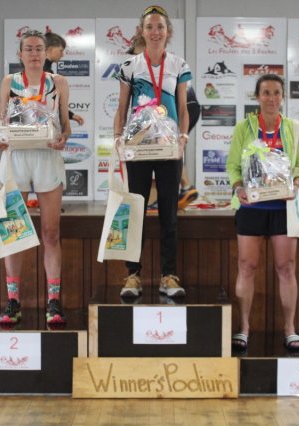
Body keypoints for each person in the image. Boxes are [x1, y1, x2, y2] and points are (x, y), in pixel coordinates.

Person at [226, 74, 299, 351]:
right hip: (252, 207)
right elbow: (233, 165)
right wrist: (238, 186)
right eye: (266, 93)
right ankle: (244, 328)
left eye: (276, 93)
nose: (271, 98)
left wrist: (296, 183)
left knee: (286, 268)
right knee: (246, 266)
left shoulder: (294, 128)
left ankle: (290, 329)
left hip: (283, 208)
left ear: (283, 97)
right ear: (257, 96)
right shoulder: (244, 127)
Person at [114, 5, 191, 298]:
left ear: (168, 31)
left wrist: (183, 137)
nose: (155, 32)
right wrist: (118, 138)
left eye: (160, 26)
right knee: (136, 211)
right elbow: (122, 108)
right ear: (142, 31)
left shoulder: (179, 64)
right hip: (139, 148)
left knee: (169, 213)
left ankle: (168, 276)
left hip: (169, 148)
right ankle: (132, 276)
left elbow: (183, 108)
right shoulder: (130, 66)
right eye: (150, 27)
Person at [0, 30, 71, 327]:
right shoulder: (9, 82)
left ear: (46, 52)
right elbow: (1, 122)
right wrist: (0, 138)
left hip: (46, 157)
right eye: (29, 49)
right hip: (16, 158)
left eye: (39, 48)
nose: (35, 53)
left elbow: (65, 126)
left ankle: (53, 301)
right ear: (20, 54)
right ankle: (13, 301)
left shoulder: (58, 82)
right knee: (14, 232)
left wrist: (64, 137)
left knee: (50, 233)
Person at [125, 32, 199, 212]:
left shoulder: (166, 65)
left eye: (137, 53)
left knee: (167, 146)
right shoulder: (141, 68)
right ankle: (183, 188)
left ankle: (182, 189)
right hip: (177, 109)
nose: (136, 58)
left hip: (184, 108)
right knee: (161, 148)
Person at [44, 32, 85, 126]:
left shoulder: (45, 70)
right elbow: (48, 102)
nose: (62, 55)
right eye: (61, 50)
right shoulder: (44, 72)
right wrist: (70, 115)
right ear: (50, 49)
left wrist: (71, 115)